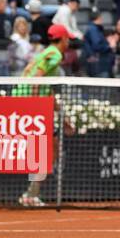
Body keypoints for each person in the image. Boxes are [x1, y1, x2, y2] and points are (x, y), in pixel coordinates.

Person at [15, 23, 72, 207]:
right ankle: (31, 194)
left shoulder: (46, 52)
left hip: (22, 100)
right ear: (63, 39)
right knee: (47, 149)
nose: (68, 42)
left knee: (46, 147)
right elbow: (38, 77)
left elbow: (47, 91)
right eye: (67, 38)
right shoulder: (55, 54)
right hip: (28, 105)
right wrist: (34, 106)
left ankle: (32, 193)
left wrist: (63, 117)